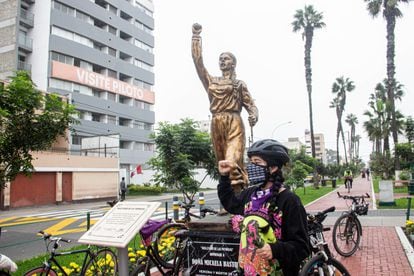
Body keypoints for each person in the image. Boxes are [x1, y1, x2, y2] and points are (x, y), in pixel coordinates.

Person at [218, 139, 310, 276]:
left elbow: (302, 247)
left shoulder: (290, 201)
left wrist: (275, 249)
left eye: (257, 162)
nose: (251, 167)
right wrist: (224, 177)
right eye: (251, 162)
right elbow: (230, 203)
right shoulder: (250, 194)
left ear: (273, 167)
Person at [192, 23, 259, 192]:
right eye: (220, 58)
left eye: (226, 58)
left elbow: (251, 105)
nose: (222, 60)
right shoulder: (211, 81)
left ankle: (239, 198)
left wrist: (253, 115)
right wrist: (196, 37)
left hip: (234, 121)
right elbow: (198, 63)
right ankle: (229, 201)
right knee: (222, 164)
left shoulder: (238, 84)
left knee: (232, 160)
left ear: (233, 63)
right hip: (217, 122)